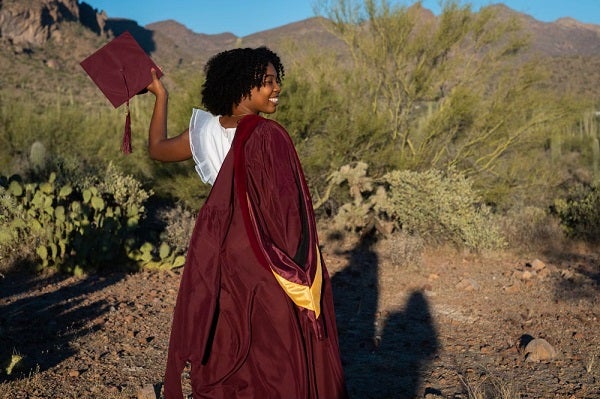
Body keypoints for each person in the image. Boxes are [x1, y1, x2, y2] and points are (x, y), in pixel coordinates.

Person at [145, 46, 348, 399]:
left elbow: (158, 150)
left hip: (219, 255)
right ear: (243, 86)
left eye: (276, 80)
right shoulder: (269, 135)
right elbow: (287, 212)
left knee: (226, 336)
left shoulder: (205, 132)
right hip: (263, 258)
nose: (277, 88)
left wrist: (161, 96)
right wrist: (299, 265)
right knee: (274, 341)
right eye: (268, 81)